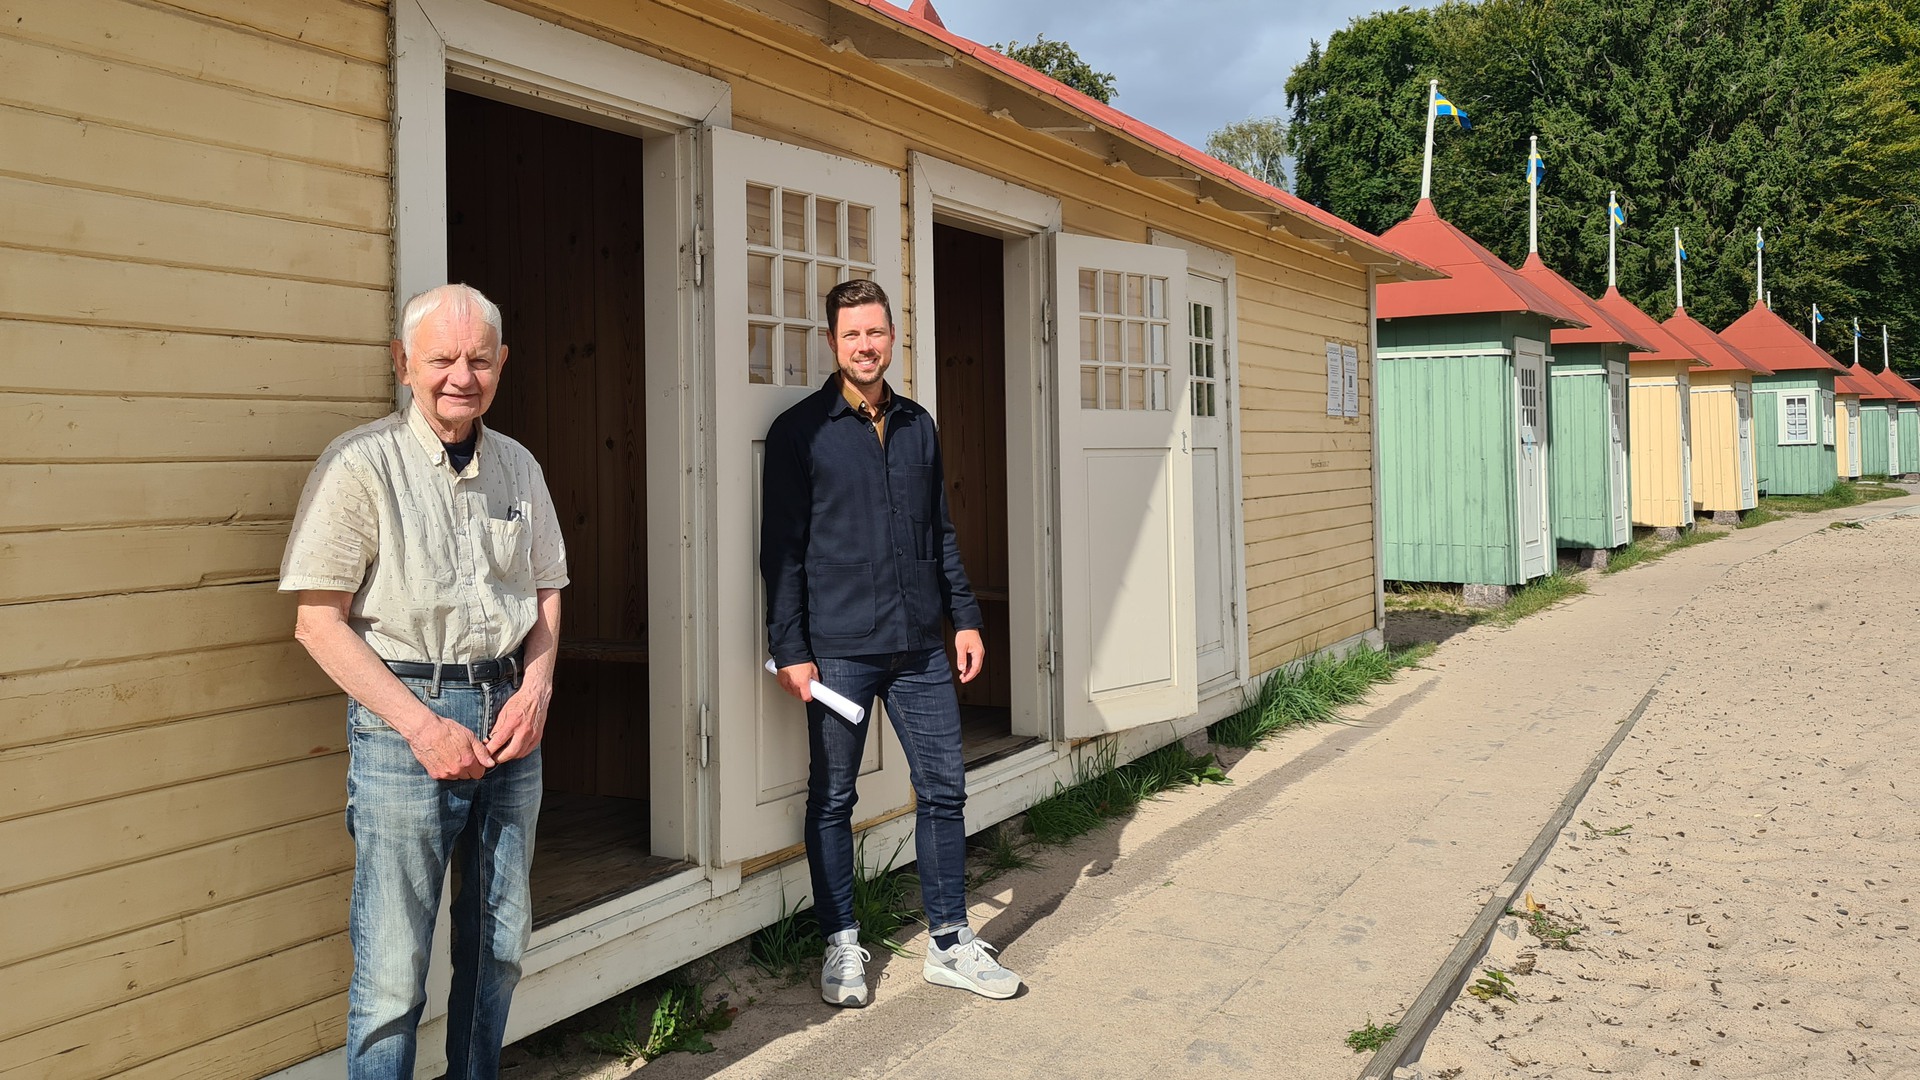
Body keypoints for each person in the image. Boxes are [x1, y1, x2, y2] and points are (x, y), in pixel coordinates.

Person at [281, 284, 567, 1078]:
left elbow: (546, 591)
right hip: (404, 722)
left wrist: (537, 688)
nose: (461, 376)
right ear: (403, 364)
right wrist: (422, 725)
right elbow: (317, 622)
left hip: (510, 714)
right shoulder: (361, 464)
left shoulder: (519, 465)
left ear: (502, 364)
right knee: (391, 974)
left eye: (479, 359)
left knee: (500, 947)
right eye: (442, 359)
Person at [760, 278, 1023, 1008]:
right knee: (833, 797)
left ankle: (947, 941)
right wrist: (790, 647)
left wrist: (964, 617)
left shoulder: (918, 426)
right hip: (837, 649)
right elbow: (778, 551)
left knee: (945, 788)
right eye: (852, 335)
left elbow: (940, 531)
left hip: (919, 646)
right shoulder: (799, 432)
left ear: (892, 337)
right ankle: (841, 944)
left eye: (876, 333)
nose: (866, 346)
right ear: (832, 342)